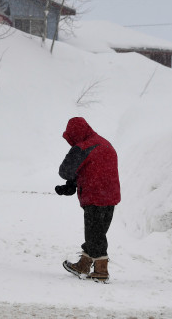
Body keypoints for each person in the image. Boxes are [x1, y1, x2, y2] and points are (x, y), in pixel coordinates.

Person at [55, 117, 121, 282]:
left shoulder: (83, 147)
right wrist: (73, 183)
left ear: (75, 134)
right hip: (111, 196)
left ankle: (101, 271)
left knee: (94, 234)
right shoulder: (105, 143)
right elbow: (93, 169)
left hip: (94, 196)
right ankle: (84, 265)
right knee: (96, 233)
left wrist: (71, 178)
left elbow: (65, 171)